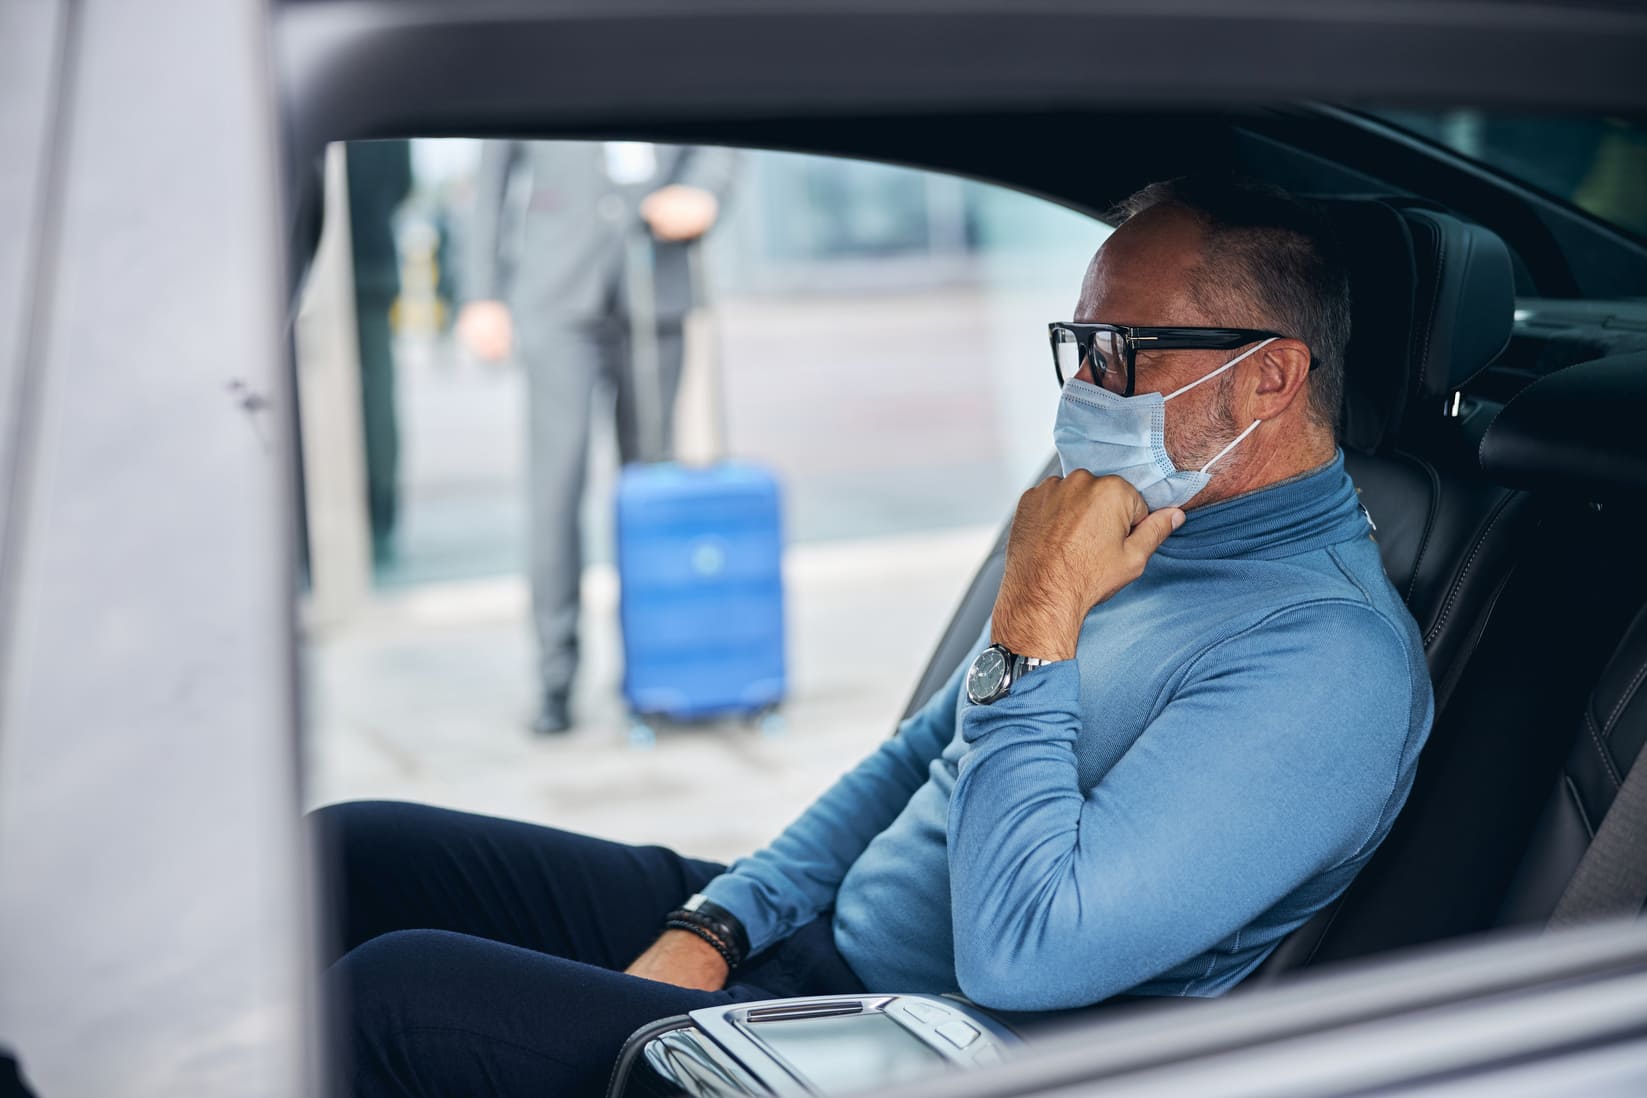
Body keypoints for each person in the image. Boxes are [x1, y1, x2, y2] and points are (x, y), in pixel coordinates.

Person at [318, 176, 1434, 1097]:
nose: (1087, 388)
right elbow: (916, 761)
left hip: (902, 1044)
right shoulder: (1142, 523)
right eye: (1078, 344)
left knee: (393, 998)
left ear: (1270, 377)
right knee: (354, 854)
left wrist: (1035, 619)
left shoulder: (1326, 662)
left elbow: (1023, 954)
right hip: (809, 948)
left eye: (1122, 349)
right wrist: (720, 922)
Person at [457, 141, 741, 734]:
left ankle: (656, 675)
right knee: (556, 490)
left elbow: (715, 138)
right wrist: (481, 293)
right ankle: (555, 677)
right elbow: (491, 177)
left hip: (656, 279)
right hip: (556, 291)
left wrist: (703, 190)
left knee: (652, 492)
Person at [345, 140, 414, 565]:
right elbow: (402, 182)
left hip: (328, 264)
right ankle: (381, 509)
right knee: (379, 395)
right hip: (374, 259)